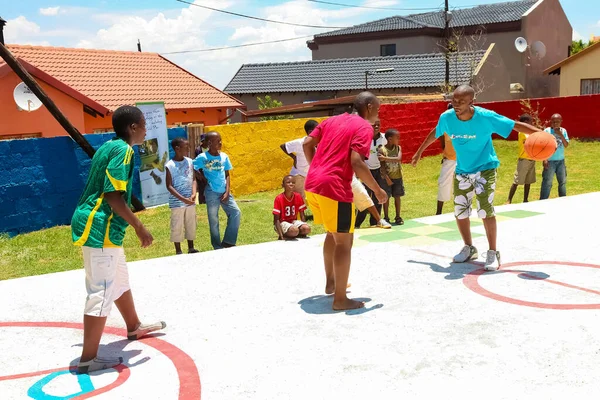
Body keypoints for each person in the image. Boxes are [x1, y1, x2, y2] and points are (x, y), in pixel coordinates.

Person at [71, 105, 165, 374]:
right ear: (133, 128)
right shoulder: (123, 151)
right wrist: (139, 226)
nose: (146, 128)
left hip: (105, 228)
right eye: (143, 124)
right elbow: (113, 196)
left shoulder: (107, 146)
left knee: (119, 279)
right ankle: (89, 358)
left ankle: (134, 326)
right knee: (101, 291)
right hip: (100, 226)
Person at [410, 85, 543, 271]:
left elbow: (515, 125)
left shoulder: (486, 117)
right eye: (454, 100)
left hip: (485, 168)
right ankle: (469, 247)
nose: (456, 104)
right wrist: (419, 152)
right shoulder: (447, 117)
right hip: (463, 169)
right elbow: (436, 131)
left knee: (484, 209)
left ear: (471, 101)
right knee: (460, 210)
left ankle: (492, 252)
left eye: (461, 102)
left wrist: (542, 134)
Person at [303, 92, 387, 310]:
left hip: (313, 184)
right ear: (368, 107)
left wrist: (317, 169)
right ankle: (340, 299)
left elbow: (306, 143)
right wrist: (377, 190)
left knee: (333, 234)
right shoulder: (364, 127)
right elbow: (357, 162)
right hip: (334, 188)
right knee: (345, 242)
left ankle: (332, 283)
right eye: (377, 109)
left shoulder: (332, 120)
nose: (378, 113)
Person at [194, 131, 241, 250]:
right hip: (211, 192)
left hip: (224, 190)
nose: (220, 143)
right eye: (217, 141)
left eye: (221, 140)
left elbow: (227, 174)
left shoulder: (224, 156)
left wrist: (227, 191)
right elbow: (192, 167)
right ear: (209, 143)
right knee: (213, 219)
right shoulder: (203, 157)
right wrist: (201, 176)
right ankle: (217, 245)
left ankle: (229, 241)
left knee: (236, 212)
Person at [413, 103, 456, 215]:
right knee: (443, 184)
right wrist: (418, 153)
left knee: (462, 185)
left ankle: (461, 210)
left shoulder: (465, 122)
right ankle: (438, 212)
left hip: (463, 160)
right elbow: (436, 138)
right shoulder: (445, 124)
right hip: (449, 159)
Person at [165, 137, 198, 255]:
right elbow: (169, 186)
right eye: (186, 147)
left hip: (190, 200)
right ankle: (178, 250)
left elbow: (193, 178)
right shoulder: (170, 165)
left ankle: (191, 247)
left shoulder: (190, 161)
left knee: (191, 223)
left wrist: (194, 194)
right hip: (177, 202)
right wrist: (183, 199)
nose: (188, 149)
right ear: (177, 149)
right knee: (177, 224)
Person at [354, 119, 389, 228]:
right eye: (374, 125)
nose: (376, 127)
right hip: (366, 172)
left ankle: (375, 222)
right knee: (365, 197)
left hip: (379, 171)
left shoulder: (384, 139)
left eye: (378, 125)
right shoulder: (363, 138)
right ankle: (357, 224)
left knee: (378, 199)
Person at [280, 120, 319, 202]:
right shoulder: (300, 143)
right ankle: (299, 214)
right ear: (310, 132)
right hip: (299, 175)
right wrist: (294, 157)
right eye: (318, 130)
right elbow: (283, 146)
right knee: (299, 198)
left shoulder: (319, 143)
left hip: (311, 175)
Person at [507, 114, 537, 204]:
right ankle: (509, 199)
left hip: (531, 159)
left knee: (528, 181)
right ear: (525, 123)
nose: (531, 124)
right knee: (517, 180)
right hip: (523, 159)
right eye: (530, 122)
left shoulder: (531, 133)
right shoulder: (522, 133)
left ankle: (525, 199)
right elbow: (529, 142)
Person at [540, 113, 569, 200]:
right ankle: (543, 200)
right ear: (550, 122)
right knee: (547, 182)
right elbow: (542, 146)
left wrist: (560, 134)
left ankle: (563, 199)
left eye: (557, 122)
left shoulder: (563, 131)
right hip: (550, 161)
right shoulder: (547, 131)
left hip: (561, 161)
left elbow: (566, 144)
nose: (555, 124)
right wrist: (545, 159)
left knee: (562, 181)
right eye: (553, 122)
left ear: (561, 122)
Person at [379, 129, 405, 225]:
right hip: (387, 178)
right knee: (387, 198)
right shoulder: (382, 149)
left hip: (398, 176)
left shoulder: (398, 148)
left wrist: (385, 158)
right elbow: (382, 167)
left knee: (397, 196)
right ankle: (386, 217)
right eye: (397, 137)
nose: (399, 139)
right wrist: (386, 178)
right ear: (390, 139)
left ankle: (398, 216)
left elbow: (398, 159)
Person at [273, 175, 311, 240]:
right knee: (294, 230)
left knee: (307, 229)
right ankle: (290, 233)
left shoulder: (298, 196)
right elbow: (276, 219)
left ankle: (294, 233)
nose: (291, 184)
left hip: (293, 221)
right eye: (288, 182)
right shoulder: (279, 198)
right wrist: (281, 236)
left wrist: (304, 226)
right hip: (283, 222)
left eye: (293, 182)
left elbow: (302, 214)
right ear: (283, 185)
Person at [194, 134, 208, 205]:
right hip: (200, 171)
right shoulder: (198, 150)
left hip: (209, 171)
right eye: (203, 141)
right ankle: (202, 202)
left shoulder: (210, 148)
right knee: (201, 188)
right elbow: (196, 162)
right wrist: (199, 174)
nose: (204, 142)